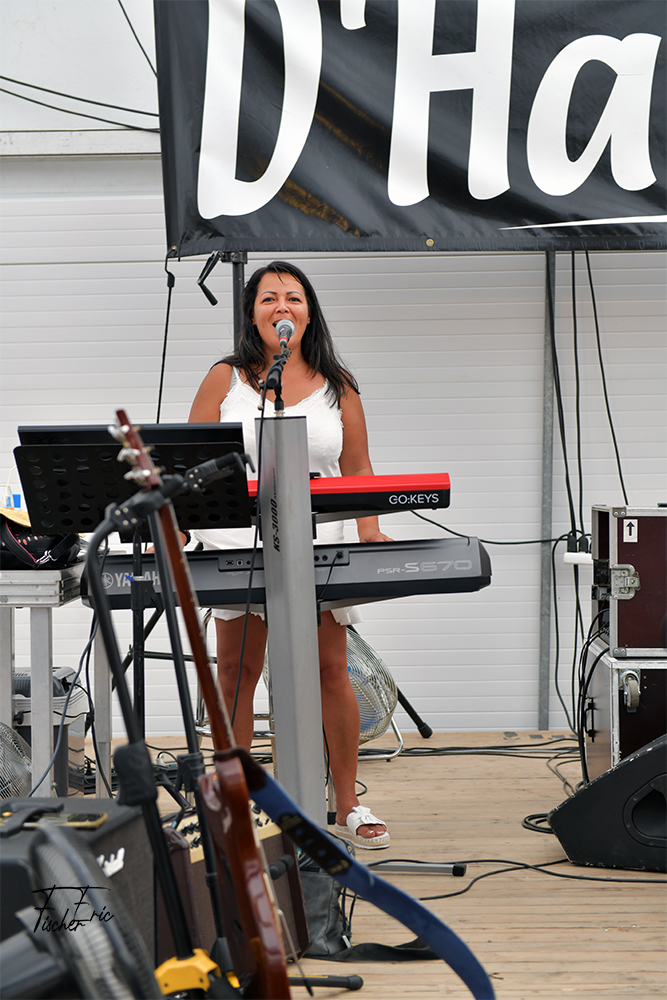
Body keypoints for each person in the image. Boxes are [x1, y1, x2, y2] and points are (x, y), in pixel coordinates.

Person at [188, 261, 391, 849]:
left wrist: (370, 530)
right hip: (238, 544)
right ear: (252, 314)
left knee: (331, 670)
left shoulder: (337, 384)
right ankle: (237, 800)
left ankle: (346, 802)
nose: (282, 307)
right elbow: (192, 461)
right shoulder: (225, 378)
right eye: (269, 298)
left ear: (309, 312)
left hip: (318, 544)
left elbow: (357, 467)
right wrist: (177, 530)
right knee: (236, 671)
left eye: (294, 298)